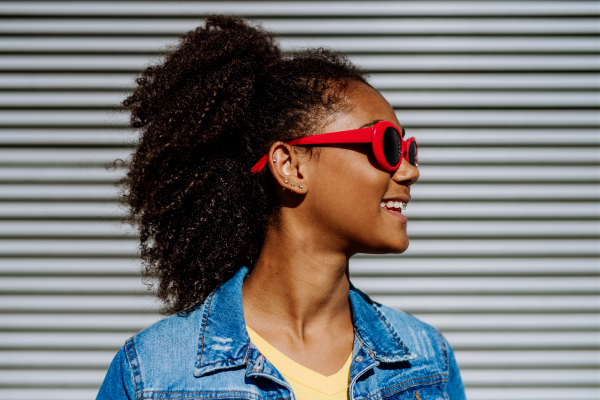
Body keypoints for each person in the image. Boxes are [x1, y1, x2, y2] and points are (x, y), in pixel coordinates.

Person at [97, 15, 465, 400]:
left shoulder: (426, 362)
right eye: (387, 145)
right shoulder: (153, 373)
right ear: (291, 166)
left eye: (409, 150)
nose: (409, 170)